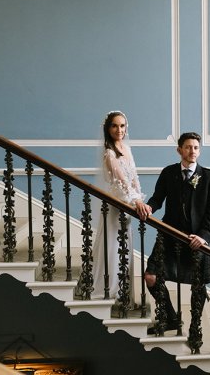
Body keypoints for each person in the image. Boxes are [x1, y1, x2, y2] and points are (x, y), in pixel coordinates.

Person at [136, 132, 210, 332]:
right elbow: (158, 198)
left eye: (196, 148)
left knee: (198, 285)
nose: (192, 151)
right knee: (151, 276)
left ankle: (195, 328)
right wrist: (148, 207)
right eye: (188, 147)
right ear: (179, 150)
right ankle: (171, 319)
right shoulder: (168, 172)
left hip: (196, 239)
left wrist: (203, 236)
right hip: (169, 235)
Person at [79, 111, 146, 306]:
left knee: (125, 246)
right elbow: (121, 182)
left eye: (123, 126)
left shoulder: (126, 148)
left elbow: (134, 178)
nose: (120, 130)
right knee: (114, 247)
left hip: (129, 204)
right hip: (116, 204)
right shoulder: (109, 153)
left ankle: (123, 290)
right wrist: (135, 201)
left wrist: (139, 198)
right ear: (108, 129)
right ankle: (108, 288)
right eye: (115, 126)